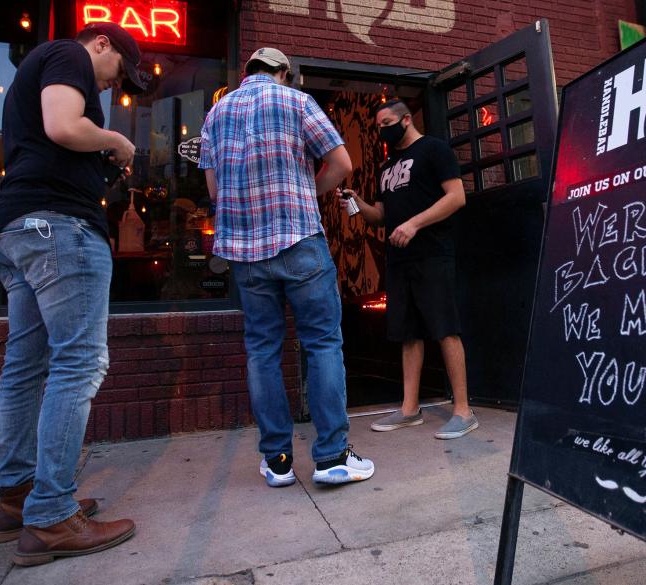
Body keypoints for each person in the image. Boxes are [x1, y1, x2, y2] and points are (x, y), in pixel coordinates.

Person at [0, 23, 143, 566]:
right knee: (79, 362)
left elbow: (54, 140)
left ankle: (18, 497)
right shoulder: (69, 54)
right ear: (103, 45)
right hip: (58, 229)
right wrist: (116, 141)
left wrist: (100, 168)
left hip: (20, 227)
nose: (111, 85)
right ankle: (51, 516)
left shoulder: (45, 67)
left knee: (25, 365)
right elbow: (63, 126)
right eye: (119, 70)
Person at [199, 47, 374, 488]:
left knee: (262, 350)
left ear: (247, 73)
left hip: (245, 253)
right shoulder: (296, 101)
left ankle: (277, 461)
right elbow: (342, 163)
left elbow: (215, 189)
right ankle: (332, 456)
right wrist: (307, 193)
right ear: (282, 73)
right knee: (322, 344)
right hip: (299, 241)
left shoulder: (216, 114)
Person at [340, 100, 478, 439]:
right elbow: (381, 216)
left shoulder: (434, 150)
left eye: (387, 122)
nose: (382, 129)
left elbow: (456, 197)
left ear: (405, 119)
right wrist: (357, 203)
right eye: (378, 125)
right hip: (399, 260)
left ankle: (463, 410)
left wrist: (415, 224)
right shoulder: (386, 167)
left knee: (445, 328)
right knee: (407, 333)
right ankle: (409, 408)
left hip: (432, 254)